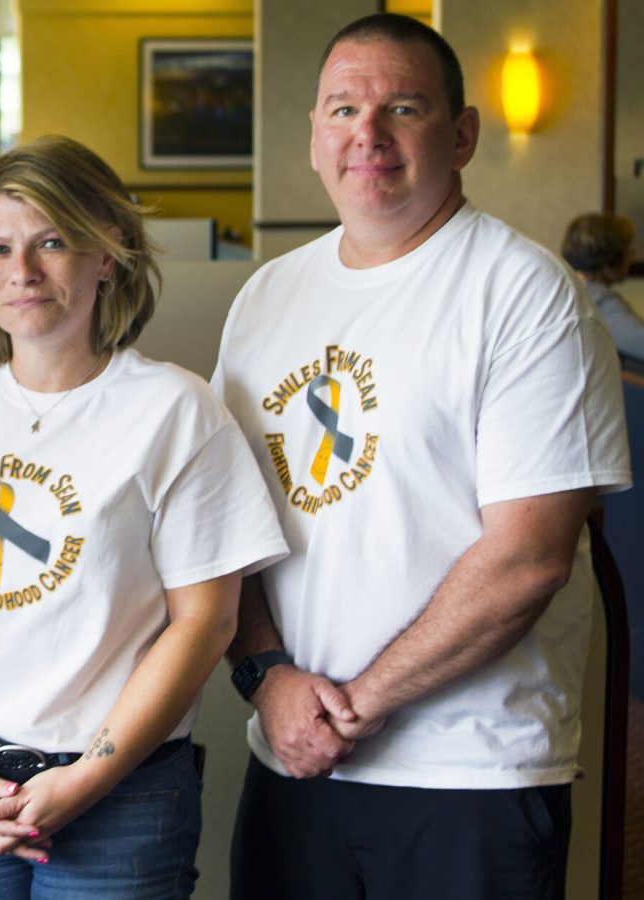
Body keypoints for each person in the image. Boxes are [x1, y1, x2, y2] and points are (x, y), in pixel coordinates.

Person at [211, 14, 631, 900]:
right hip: (292, 763)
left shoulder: (525, 295)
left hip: (468, 774)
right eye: (343, 110)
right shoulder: (267, 297)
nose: (367, 134)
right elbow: (224, 524)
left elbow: (528, 559)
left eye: (403, 108)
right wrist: (266, 678)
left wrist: (352, 707)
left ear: (463, 135)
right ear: (315, 138)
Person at [0, 135, 288, 900]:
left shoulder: (174, 410)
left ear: (108, 253)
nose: (22, 271)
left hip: (121, 798)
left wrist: (86, 778)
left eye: (52, 242)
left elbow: (206, 623)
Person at [562, 212, 644, 366]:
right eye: (628, 250)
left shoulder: (568, 288)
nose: (632, 256)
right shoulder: (599, 300)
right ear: (612, 257)